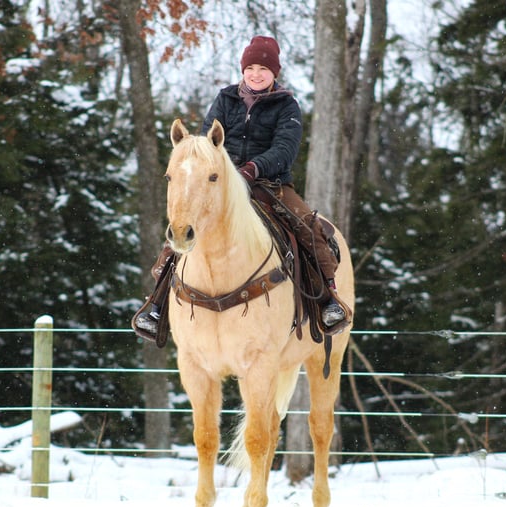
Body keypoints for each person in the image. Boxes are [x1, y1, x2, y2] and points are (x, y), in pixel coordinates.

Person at [133, 35, 350, 340]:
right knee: (185, 225)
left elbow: (285, 148)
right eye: (251, 67)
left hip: (269, 184)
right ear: (243, 70)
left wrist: (254, 168)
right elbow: (208, 143)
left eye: (263, 68)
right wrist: (223, 170)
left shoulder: (287, 105)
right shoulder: (225, 99)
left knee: (306, 226)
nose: (256, 74)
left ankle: (327, 299)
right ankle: (157, 304)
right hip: (221, 183)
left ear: (275, 73)